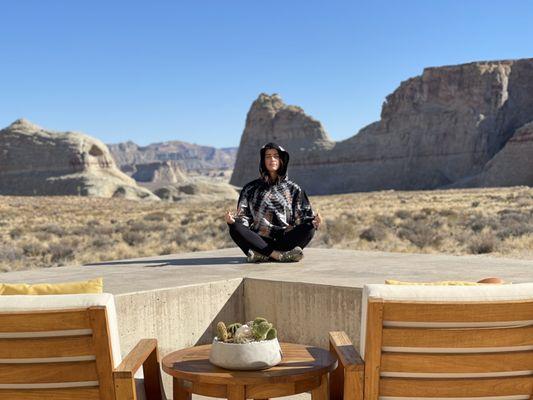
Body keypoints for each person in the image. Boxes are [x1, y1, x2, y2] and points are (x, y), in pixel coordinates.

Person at [225, 142, 322, 263]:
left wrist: (314, 222)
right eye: (268, 156)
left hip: (284, 240)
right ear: (263, 160)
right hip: (258, 241)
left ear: (282, 160)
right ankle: (277, 256)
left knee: (309, 227)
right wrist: (233, 222)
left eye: (276, 156)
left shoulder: (294, 189)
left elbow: (302, 219)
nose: (272, 159)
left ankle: (262, 255)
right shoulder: (250, 189)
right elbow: (244, 219)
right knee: (235, 227)